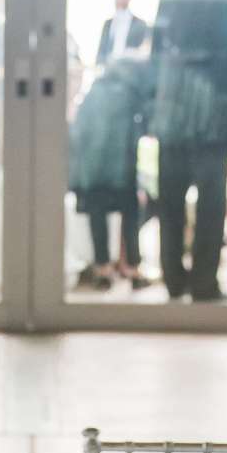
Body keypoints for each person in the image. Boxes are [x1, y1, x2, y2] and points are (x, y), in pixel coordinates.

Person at [151, 0, 227, 301]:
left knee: (170, 203)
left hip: (172, 116)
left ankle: (173, 279)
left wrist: (155, 110)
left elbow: (156, 58)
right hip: (215, 120)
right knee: (211, 207)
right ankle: (203, 284)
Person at [69, 44, 152, 289]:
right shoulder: (130, 96)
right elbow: (137, 133)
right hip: (121, 169)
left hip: (92, 169)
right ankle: (132, 268)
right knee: (131, 215)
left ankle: (102, 268)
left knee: (98, 218)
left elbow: (79, 134)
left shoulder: (94, 93)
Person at [96, 0, 150, 65]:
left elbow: (142, 48)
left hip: (129, 67)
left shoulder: (139, 24)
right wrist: (99, 63)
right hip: (108, 67)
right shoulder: (108, 23)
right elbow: (102, 47)